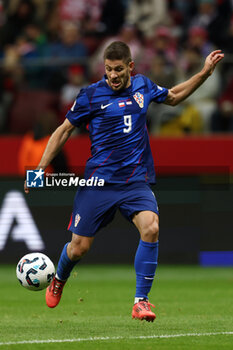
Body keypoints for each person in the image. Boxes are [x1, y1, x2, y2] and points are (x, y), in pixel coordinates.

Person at [24, 41, 223, 322]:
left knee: (151, 227)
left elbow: (175, 95)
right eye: (108, 70)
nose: (113, 75)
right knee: (79, 247)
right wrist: (39, 169)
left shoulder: (143, 85)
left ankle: (141, 301)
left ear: (130, 67)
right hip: (98, 183)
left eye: (118, 69)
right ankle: (59, 277)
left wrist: (204, 73)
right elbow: (63, 130)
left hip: (135, 181)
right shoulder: (91, 95)